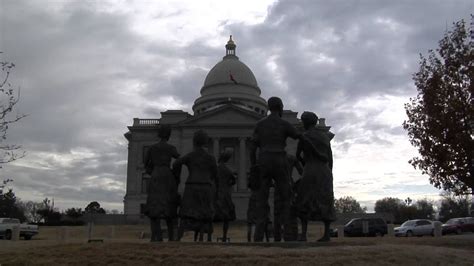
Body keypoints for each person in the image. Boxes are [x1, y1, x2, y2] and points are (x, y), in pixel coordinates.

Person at [249, 96, 302, 242]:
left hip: (264, 160)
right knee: (286, 198)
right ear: (280, 107)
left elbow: (252, 148)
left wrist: (254, 166)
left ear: (268, 107)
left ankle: (258, 236)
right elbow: (298, 135)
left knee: (262, 199)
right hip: (279, 159)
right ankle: (289, 234)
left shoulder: (260, 124)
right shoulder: (284, 123)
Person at [295, 111, 336, 242]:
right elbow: (330, 157)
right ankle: (326, 234)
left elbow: (297, 155)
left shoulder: (304, 136)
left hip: (310, 169)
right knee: (325, 198)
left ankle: (303, 234)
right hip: (324, 171)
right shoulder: (324, 137)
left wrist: (304, 164)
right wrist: (329, 172)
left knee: (305, 199)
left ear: (306, 122)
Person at [173, 130, 217, 242]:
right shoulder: (210, 158)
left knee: (185, 213)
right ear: (205, 142)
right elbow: (215, 174)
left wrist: (176, 178)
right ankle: (204, 237)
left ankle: (178, 237)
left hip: (191, 186)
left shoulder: (191, 155)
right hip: (206, 186)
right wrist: (208, 179)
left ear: (194, 141)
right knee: (204, 213)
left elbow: (176, 163)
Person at [143, 125, 180, 242]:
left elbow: (146, 164)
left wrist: (152, 171)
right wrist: (175, 174)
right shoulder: (171, 148)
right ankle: (171, 237)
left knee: (154, 205)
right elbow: (179, 160)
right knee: (169, 204)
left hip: (156, 175)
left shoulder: (152, 148)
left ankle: (156, 237)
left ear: (159, 134)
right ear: (168, 135)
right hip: (167, 175)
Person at [214, 151, 237, 242]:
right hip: (226, 193)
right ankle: (224, 236)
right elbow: (234, 180)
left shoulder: (216, 169)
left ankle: (207, 236)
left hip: (216, 193)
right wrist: (228, 184)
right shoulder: (227, 170)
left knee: (211, 215)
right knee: (226, 217)